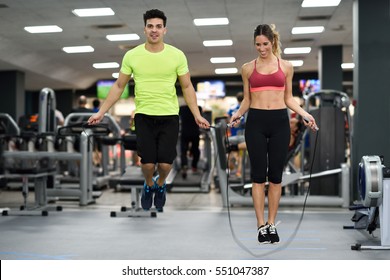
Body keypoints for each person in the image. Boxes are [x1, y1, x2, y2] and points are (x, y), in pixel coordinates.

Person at [88, 9, 210, 212]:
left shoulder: (176, 55)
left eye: (158, 26)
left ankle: (160, 184)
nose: (154, 30)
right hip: (144, 116)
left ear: (165, 30)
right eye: (150, 26)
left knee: (164, 165)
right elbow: (119, 86)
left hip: (169, 116)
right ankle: (149, 184)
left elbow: (187, 87)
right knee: (147, 164)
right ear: (144, 29)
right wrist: (101, 112)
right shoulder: (132, 55)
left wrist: (197, 115)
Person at [229, 24, 318, 244]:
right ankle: (260, 226)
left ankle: (271, 223)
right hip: (256, 122)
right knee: (258, 176)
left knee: (276, 176)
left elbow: (288, 98)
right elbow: (248, 100)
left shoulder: (286, 67)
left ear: (272, 42)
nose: (261, 48)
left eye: (265, 44)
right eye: (257, 44)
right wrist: (238, 114)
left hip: (280, 122)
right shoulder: (248, 68)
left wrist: (305, 114)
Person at [179, 104, 202, 179]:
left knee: (183, 151)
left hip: (185, 132)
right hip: (195, 132)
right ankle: (194, 166)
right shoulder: (198, 108)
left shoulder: (181, 108)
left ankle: (184, 165)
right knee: (195, 150)